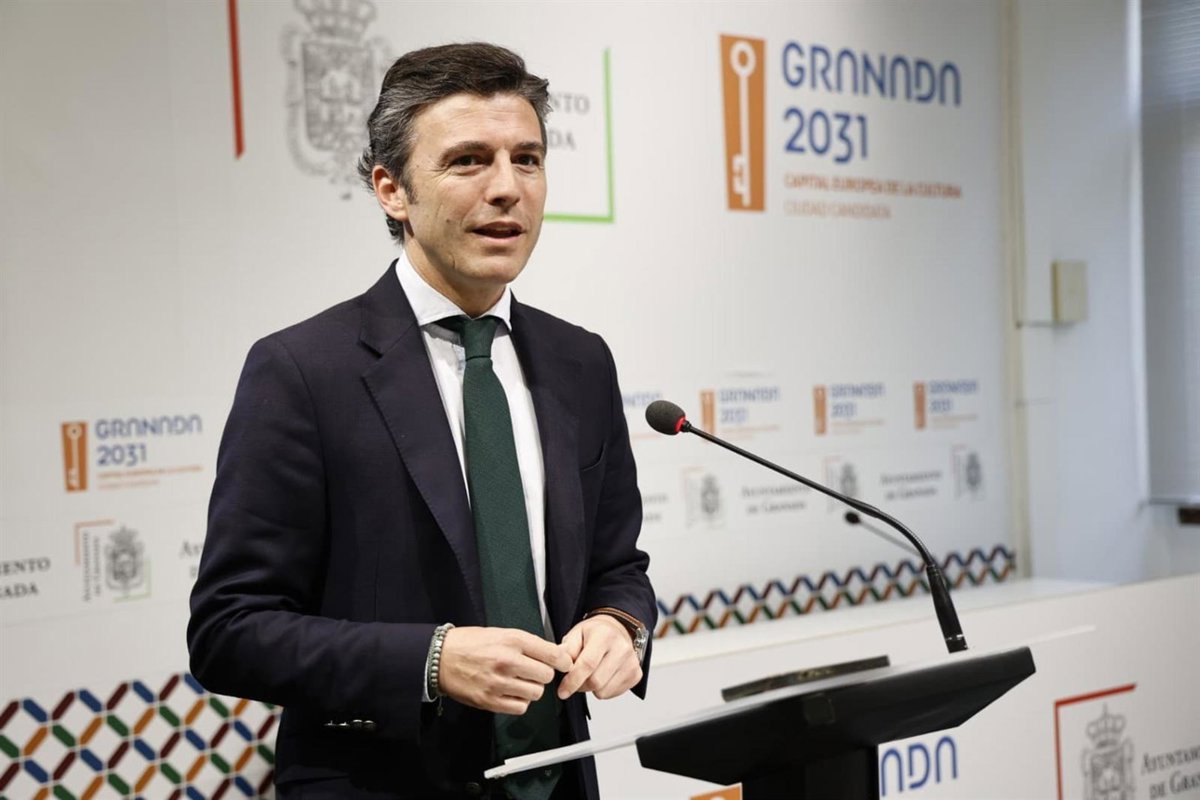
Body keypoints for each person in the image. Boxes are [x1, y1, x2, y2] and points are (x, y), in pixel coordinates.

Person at [187, 43, 655, 800]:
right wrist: (431, 661)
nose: (507, 189)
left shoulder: (580, 362)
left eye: (527, 160)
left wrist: (619, 624)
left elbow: (618, 568)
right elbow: (229, 631)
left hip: (560, 779)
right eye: (468, 161)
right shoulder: (302, 371)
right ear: (391, 190)